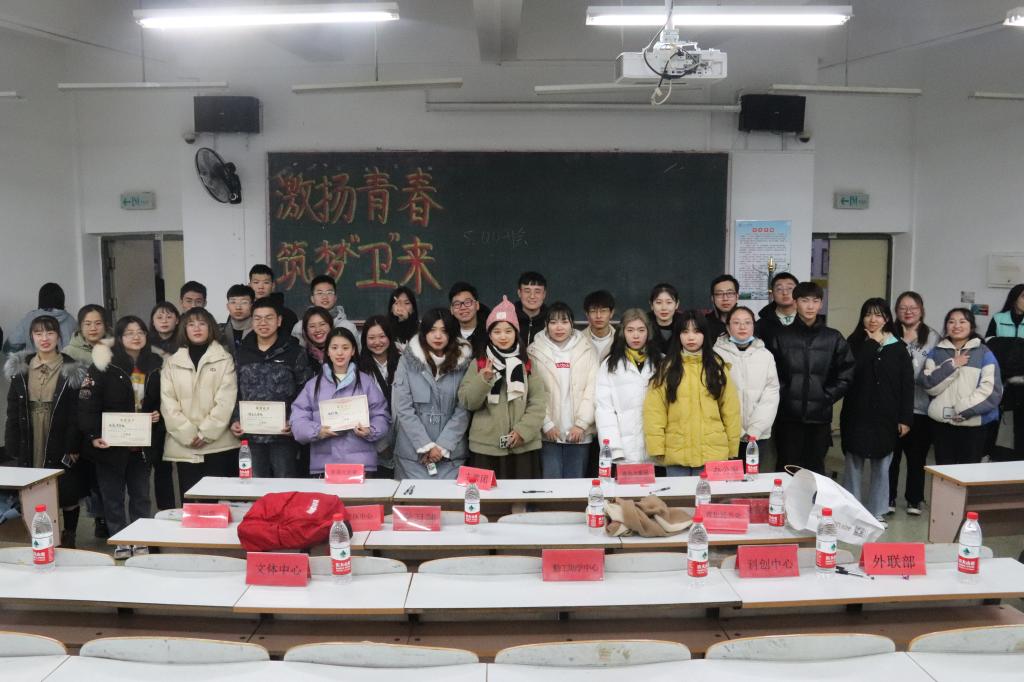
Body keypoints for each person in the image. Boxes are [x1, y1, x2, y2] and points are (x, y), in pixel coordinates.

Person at [78, 316, 164, 559]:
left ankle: (140, 539)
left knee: (141, 496)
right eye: (129, 333)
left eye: (140, 332)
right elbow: (87, 404)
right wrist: (93, 435)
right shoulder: (104, 363)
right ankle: (120, 539)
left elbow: (164, 399)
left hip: (141, 444)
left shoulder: (155, 364)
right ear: (119, 337)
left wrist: (158, 414)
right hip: (110, 443)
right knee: (112, 496)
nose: (136, 337)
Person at [3, 315, 87, 547]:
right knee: (33, 487)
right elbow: (12, 409)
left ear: (59, 336)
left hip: (59, 431)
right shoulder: (21, 367)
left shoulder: (72, 368)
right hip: (30, 433)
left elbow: (77, 411)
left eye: (50, 333)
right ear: (32, 337)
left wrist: (73, 444)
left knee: (66, 488)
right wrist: (11, 442)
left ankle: (69, 534)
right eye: (38, 333)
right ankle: (42, 536)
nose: (44, 338)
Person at [840, 299, 914, 523]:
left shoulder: (898, 347)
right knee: (853, 463)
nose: (873, 319)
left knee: (882, 465)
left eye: (879, 315)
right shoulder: (853, 343)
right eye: (868, 314)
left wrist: (905, 418)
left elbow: (907, 386)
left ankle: (877, 510)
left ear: (887, 318)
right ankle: (851, 510)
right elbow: (852, 371)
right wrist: (871, 344)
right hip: (857, 413)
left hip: (886, 416)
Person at [769, 281, 855, 474]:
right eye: (804, 300)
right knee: (786, 468)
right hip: (788, 416)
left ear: (821, 304)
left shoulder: (833, 337)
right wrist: (786, 395)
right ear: (795, 302)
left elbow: (847, 372)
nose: (810, 306)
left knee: (815, 470)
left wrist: (826, 396)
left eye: (815, 301)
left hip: (819, 417)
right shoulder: (781, 336)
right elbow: (771, 373)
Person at [458, 296, 547, 479]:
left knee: (521, 494)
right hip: (486, 447)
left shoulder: (527, 363)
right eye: (497, 331)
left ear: (516, 333)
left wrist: (523, 431)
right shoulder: (480, 362)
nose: (503, 336)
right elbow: (467, 402)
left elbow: (538, 402)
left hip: (523, 445)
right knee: (488, 496)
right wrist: (483, 380)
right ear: (490, 334)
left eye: (508, 331)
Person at [644, 310, 741, 476]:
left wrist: (732, 447)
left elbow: (731, 411)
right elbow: (654, 411)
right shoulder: (666, 368)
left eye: (696, 332)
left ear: (705, 335)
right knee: (678, 493)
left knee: (708, 494)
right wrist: (656, 447)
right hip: (676, 453)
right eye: (685, 332)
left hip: (712, 453)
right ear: (678, 336)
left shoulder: (717, 367)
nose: (691, 337)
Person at [160, 307, 240, 500]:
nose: (196, 328)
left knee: (219, 504)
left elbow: (226, 400)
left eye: (202, 323)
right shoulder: (172, 362)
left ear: (210, 327)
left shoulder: (224, 359)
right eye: (191, 324)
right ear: (184, 329)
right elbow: (168, 403)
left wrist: (206, 433)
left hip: (219, 444)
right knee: (191, 504)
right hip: (184, 444)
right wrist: (188, 434)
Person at [229, 298, 312, 478]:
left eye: (269, 318)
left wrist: (295, 421)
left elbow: (305, 392)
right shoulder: (242, 352)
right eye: (258, 318)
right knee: (254, 486)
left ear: (279, 321)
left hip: (284, 435)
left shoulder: (294, 352)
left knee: (284, 484)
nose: (263, 323)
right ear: (252, 321)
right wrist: (235, 420)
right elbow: (234, 391)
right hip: (251, 435)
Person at [290, 328, 391, 476]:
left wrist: (370, 430)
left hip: (361, 464)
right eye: (334, 347)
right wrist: (317, 431)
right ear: (328, 351)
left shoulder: (366, 382)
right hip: (325, 464)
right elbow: (298, 419)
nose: (339, 353)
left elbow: (381, 414)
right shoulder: (313, 385)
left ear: (353, 351)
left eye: (345, 348)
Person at [392, 309, 473, 479]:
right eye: (432, 330)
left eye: (444, 331)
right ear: (424, 332)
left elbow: (463, 409)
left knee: (448, 497)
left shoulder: (463, 363)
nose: (438, 336)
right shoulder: (407, 361)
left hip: (450, 455)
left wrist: (442, 447)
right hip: (412, 455)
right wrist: (425, 445)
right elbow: (403, 407)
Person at [921, 308, 1003, 465]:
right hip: (942, 424)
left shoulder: (984, 352)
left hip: (973, 424)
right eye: (951, 322)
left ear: (971, 327)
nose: (956, 325)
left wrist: (961, 409)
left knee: (968, 473)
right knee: (944, 471)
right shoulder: (936, 352)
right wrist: (952, 365)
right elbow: (928, 385)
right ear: (946, 326)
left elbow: (992, 391)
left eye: (962, 321)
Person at [529, 302, 599, 479]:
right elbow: (532, 392)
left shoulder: (588, 349)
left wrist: (581, 424)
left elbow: (593, 389)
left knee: (575, 486)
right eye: (553, 322)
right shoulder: (534, 351)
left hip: (579, 434)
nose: (559, 327)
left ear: (572, 324)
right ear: (546, 325)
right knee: (550, 484)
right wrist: (546, 424)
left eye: (564, 322)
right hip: (548, 434)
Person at [888, 291, 941, 515]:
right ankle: (888, 498)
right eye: (903, 308)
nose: (908, 312)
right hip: (892, 407)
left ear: (921, 310)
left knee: (917, 456)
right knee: (891, 457)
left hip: (921, 408)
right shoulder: (889, 333)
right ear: (896, 311)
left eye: (913, 308)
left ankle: (914, 499)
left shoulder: (933, 337)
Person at [713, 306, 780, 463]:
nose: (742, 327)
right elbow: (713, 395)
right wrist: (735, 428)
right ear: (728, 327)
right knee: (728, 477)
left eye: (747, 322)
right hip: (725, 432)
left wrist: (755, 429)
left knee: (752, 475)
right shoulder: (715, 355)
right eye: (736, 323)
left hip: (758, 434)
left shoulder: (765, 356)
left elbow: (771, 394)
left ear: (753, 326)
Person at [595, 308, 662, 465]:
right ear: (622, 333)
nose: (636, 336)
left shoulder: (661, 362)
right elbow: (604, 410)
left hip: (656, 450)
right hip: (623, 451)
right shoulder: (610, 365)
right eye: (630, 330)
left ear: (648, 332)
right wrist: (614, 449)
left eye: (641, 330)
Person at [984, 283, 1024, 462]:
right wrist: (1016, 346)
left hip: (1022, 380)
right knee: (993, 420)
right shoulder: (999, 318)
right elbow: (989, 344)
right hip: (999, 378)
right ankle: (988, 455)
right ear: (1014, 298)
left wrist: (1008, 346)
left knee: (1020, 425)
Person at [358, 315, 401, 479]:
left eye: (382, 336)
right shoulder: (358, 369)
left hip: (403, 436)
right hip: (373, 440)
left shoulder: (404, 363)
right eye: (371, 338)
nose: (377, 342)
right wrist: (380, 444)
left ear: (389, 337)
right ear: (364, 340)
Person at [3, 283, 77, 353]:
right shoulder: (71, 320)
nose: (45, 339)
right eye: (39, 334)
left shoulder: (30, 317)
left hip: (34, 361)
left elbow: (10, 347)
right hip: (66, 361)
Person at [290, 274, 358, 347]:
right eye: (319, 293)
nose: (325, 297)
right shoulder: (299, 327)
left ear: (335, 297)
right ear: (312, 299)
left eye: (329, 293)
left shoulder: (348, 327)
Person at [249, 264, 298, 335]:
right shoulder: (244, 312)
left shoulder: (287, 315)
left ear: (273, 286)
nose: (261, 287)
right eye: (256, 282)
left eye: (266, 282)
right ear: (249, 285)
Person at [755, 272, 799, 348]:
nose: (785, 293)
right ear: (772, 294)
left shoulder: (808, 320)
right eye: (779, 289)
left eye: (790, 288)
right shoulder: (761, 325)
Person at [448, 281, 491, 355]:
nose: (463, 307)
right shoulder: (447, 336)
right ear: (451, 310)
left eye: (467, 302)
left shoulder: (491, 333)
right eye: (457, 304)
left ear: (477, 305)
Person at [515, 271, 549, 347]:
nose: (532, 296)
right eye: (527, 291)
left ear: (544, 294)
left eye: (537, 292)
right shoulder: (507, 319)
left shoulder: (552, 320)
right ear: (519, 293)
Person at [647, 283, 682, 355]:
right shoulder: (643, 323)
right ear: (651, 305)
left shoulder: (685, 323)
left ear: (677, 304)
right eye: (659, 302)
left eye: (669, 302)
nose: (664, 308)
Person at [219, 284, 254, 354]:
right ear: (227, 306)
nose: (238, 307)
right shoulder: (217, 331)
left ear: (252, 306)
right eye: (233, 302)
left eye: (244, 302)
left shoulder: (260, 330)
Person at [582, 290, 616, 361]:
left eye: (603, 311)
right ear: (587, 315)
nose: (598, 316)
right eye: (593, 311)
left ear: (611, 313)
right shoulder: (578, 340)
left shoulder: (621, 340)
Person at [705, 275, 740, 341]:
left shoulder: (746, 323)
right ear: (712, 298)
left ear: (737, 296)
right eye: (719, 294)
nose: (725, 298)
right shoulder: (704, 324)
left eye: (730, 293)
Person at [387, 285, 419, 351]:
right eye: (397, 303)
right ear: (391, 308)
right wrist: (397, 319)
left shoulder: (420, 330)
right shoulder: (383, 328)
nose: (402, 306)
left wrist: (406, 320)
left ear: (413, 308)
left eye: (406, 303)